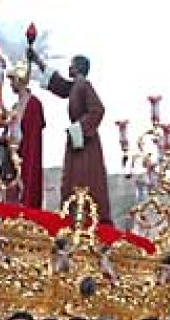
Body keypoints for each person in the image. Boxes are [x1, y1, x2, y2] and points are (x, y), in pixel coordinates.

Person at [28, 50, 112, 225]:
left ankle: (86, 214)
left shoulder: (84, 85)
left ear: (79, 67)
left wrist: (79, 128)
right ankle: (74, 212)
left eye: (72, 64)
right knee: (74, 176)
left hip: (85, 141)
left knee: (84, 176)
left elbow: (98, 109)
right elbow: (59, 85)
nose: (69, 67)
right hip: (77, 139)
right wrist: (38, 61)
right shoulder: (76, 85)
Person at [2, 60, 45, 210]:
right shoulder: (15, 106)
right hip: (13, 157)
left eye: (12, 80)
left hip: (26, 155)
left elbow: (32, 138)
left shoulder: (33, 104)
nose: (11, 84)